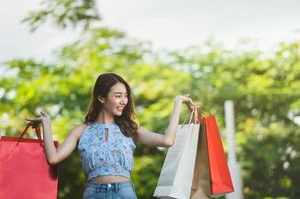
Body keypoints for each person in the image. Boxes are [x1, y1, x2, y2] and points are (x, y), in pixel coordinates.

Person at [28, 73, 198, 199]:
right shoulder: (81, 130)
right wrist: (47, 124)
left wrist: (177, 103)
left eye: (125, 96)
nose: (124, 101)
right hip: (94, 193)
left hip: (124, 192)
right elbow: (54, 159)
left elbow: (167, 141)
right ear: (101, 98)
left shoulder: (130, 128)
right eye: (118, 96)